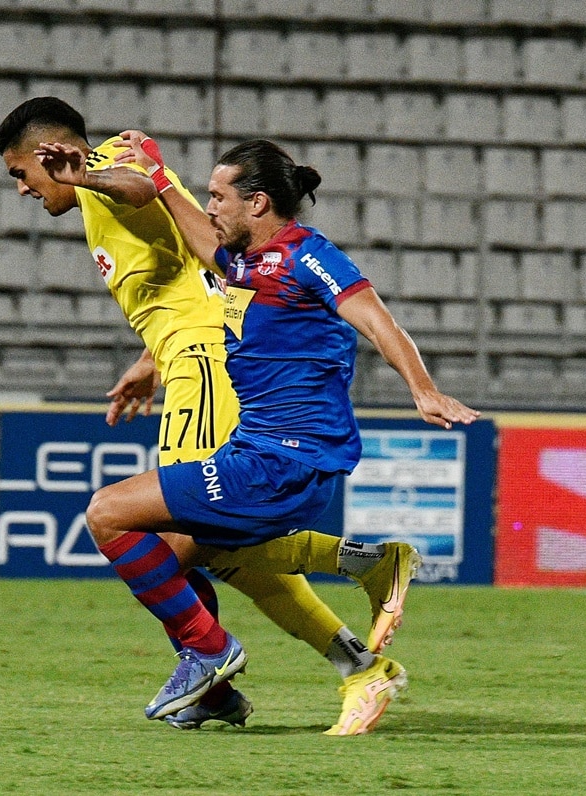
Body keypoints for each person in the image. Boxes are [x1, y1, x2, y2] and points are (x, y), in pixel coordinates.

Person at [0, 97, 425, 734]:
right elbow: (190, 273)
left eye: (21, 173)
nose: (24, 189)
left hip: (203, 365)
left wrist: (87, 175)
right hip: (187, 359)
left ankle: (343, 601)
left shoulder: (105, 166)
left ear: (48, 153)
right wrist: (151, 356)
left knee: (181, 535)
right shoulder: (97, 190)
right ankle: (247, 679)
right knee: (198, 546)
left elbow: (142, 186)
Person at [83, 130, 480, 734]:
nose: (209, 206)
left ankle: (214, 655)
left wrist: (423, 389)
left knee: (108, 513)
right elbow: (200, 243)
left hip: (286, 459)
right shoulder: (244, 263)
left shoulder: (306, 255)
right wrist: (162, 182)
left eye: (218, 196)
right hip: (260, 451)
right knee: (184, 552)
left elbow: (378, 321)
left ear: (258, 202)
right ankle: (367, 583)